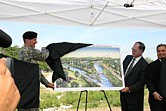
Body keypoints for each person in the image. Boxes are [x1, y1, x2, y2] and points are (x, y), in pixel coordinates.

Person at [18, 31, 54, 110]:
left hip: (27, 88)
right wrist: (45, 49)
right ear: (27, 40)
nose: (36, 42)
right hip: (29, 88)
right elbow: (43, 56)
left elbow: (35, 72)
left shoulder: (25, 52)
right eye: (34, 39)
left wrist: (47, 83)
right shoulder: (27, 50)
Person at [120, 41, 148, 111]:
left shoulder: (145, 65)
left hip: (135, 98)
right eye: (132, 49)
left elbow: (141, 82)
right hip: (123, 95)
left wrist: (129, 89)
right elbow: (121, 72)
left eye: (134, 50)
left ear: (141, 51)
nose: (132, 51)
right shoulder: (128, 58)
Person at [145, 44, 166, 111]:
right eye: (159, 51)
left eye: (163, 51)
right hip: (156, 100)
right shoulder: (151, 66)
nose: (161, 53)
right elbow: (148, 80)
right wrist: (154, 92)